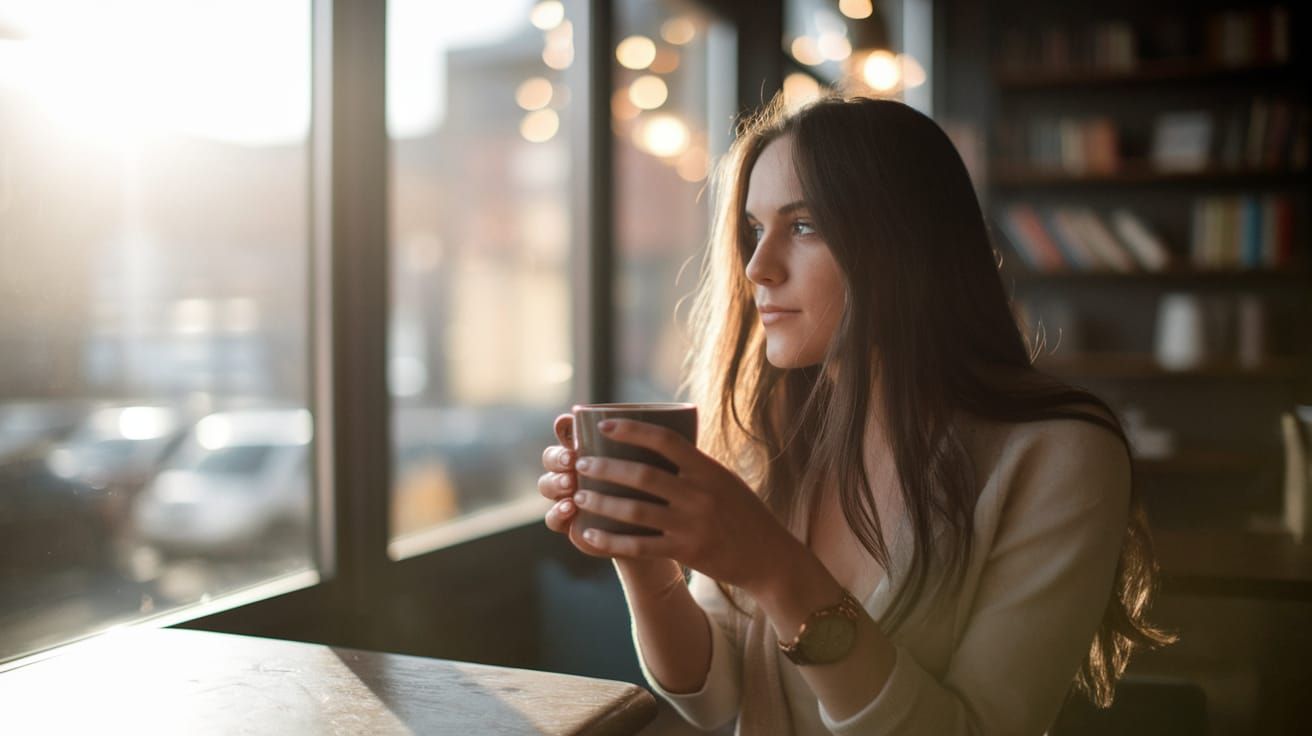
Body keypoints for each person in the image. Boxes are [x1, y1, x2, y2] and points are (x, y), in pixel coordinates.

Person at [537, 93, 1176, 735]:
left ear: (904, 244)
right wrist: (644, 555)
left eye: (805, 226)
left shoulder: (1058, 456)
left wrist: (776, 567)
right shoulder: (781, 431)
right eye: (755, 230)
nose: (758, 267)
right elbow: (718, 699)